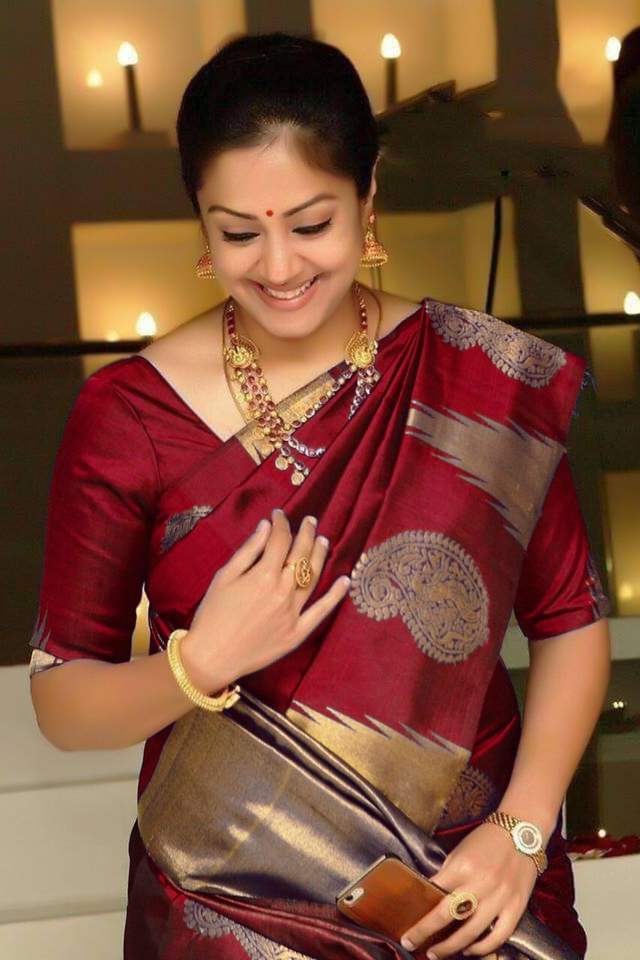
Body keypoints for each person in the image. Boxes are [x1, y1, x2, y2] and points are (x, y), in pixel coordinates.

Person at [29, 32, 611, 960]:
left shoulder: (475, 378)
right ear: (199, 220)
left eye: (310, 224)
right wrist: (197, 664)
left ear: (367, 196)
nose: (278, 267)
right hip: (227, 905)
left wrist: (523, 830)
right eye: (238, 232)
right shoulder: (129, 415)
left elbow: (570, 622)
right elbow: (63, 702)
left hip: (466, 891)